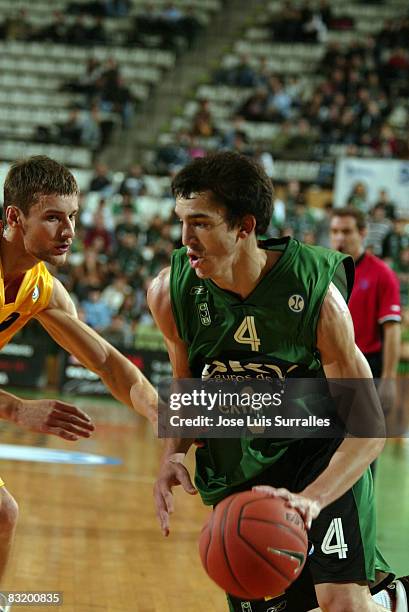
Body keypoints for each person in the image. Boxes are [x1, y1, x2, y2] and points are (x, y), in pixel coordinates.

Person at [148, 152, 408, 612]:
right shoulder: (171, 291)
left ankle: (390, 601)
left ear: (245, 226)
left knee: (342, 606)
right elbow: (187, 386)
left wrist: (309, 501)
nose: (185, 238)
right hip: (240, 459)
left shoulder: (316, 296)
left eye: (201, 223)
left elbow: (369, 427)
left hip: (319, 454)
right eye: (182, 222)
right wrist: (174, 453)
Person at [0, 156, 158, 606]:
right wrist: (16, 409)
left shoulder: (41, 288)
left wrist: (160, 412)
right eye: (52, 217)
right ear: (14, 217)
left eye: (72, 216)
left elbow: (107, 360)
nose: (69, 230)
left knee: (1, 514)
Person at [330, 207, 401, 415]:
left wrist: (388, 379)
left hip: (366, 366)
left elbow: (392, 330)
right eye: (334, 231)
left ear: (362, 233)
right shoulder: (323, 271)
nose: (339, 238)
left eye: (346, 231)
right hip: (329, 365)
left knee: (362, 438)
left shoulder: (382, 274)